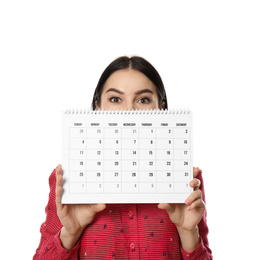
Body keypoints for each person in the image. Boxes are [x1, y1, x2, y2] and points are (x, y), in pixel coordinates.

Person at [33, 56, 213, 259]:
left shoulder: (187, 180)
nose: (129, 111)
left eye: (143, 99)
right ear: (98, 106)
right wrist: (70, 232)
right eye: (115, 99)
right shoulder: (67, 179)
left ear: (161, 108)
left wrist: (189, 233)